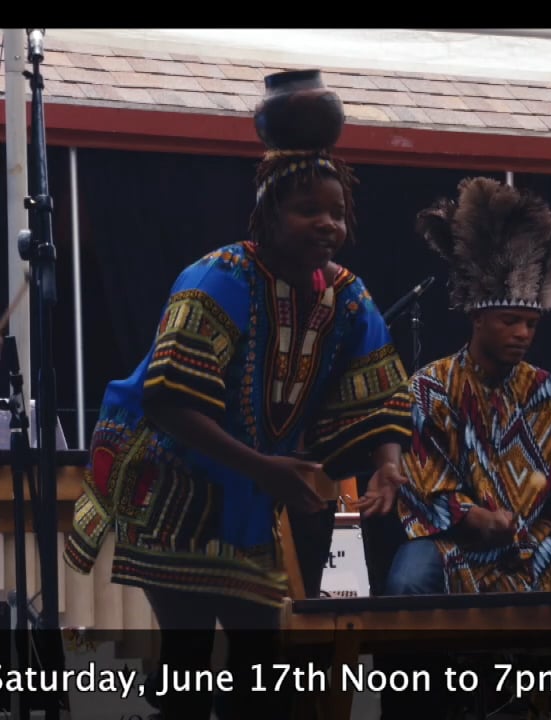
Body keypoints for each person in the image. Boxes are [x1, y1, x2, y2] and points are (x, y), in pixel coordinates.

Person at [63, 130, 415, 719]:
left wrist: (388, 466)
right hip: (167, 481)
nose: (328, 223)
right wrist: (267, 470)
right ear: (271, 214)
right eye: (310, 210)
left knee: (261, 664)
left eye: (337, 212)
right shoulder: (216, 278)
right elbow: (169, 401)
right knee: (190, 655)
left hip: (246, 495)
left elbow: (378, 382)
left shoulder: (349, 297)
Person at [385, 176, 551, 596]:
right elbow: (424, 484)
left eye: (531, 324)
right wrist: (479, 519)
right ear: (477, 319)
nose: (522, 333)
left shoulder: (547, 391)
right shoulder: (431, 386)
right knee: (407, 584)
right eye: (510, 321)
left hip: (535, 544)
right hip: (455, 544)